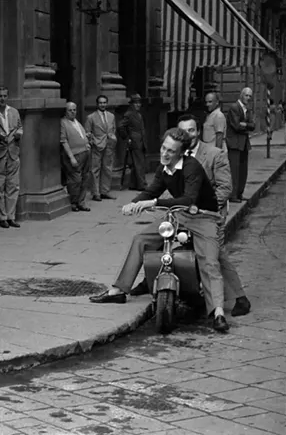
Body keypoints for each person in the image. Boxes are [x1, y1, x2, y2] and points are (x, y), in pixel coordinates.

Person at [89, 128, 231, 333]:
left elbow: (188, 198)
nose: (165, 154)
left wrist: (152, 203)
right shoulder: (163, 169)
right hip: (178, 215)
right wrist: (134, 204)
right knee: (141, 239)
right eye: (164, 148)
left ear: (181, 153)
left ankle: (217, 312)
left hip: (204, 217)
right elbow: (152, 190)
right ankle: (119, 290)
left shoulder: (192, 167)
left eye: (171, 151)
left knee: (209, 262)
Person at [130, 115, 251, 316]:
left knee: (215, 255)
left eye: (192, 130)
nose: (189, 134)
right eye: (184, 131)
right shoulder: (172, 156)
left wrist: (202, 208)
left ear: (198, 132)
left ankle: (239, 298)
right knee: (156, 235)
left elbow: (225, 187)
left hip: (206, 213)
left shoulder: (214, 154)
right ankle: (149, 279)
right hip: (181, 212)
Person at [0, 86, 23, 228]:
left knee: (13, 184)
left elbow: (20, 127)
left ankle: (11, 216)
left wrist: (19, 133)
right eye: (0, 96)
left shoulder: (14, 112)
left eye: (5, 96)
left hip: (13, 151)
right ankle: (1, 217)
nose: (2, 98)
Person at [59, 102, 92, 212]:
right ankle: (73, 202)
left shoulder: (77, 122)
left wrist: (86, 140)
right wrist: (71, 157)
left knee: (85, 178)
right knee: (75, 180)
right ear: (66, 111)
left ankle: (81, 202)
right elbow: (63, 141)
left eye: (74, 110)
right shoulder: (63, 122)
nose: (73, 112)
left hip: (85, 152)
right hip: (74, 154)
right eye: (70, 110)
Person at [84, 95, 118, 201]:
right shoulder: (91, 117)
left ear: (106, 103)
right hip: (97, 146)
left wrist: (112, 139)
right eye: (100, 103)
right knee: (95, 170)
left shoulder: (111, 116)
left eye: (104, 103)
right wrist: (92, 141)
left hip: (109, 145)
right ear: (97, 104)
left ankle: (105, 191)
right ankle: (96, 193)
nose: (102, 105)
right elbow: (87, 132)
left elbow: (113, 129)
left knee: (108, 168)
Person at [225, 87, 256, 201]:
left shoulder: (247, 109)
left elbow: (253, 126)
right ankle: (233, 195)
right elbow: (236, 126)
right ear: (241, 95)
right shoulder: (234, 107)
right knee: (234, 170)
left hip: (243, 144)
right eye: (246, 95)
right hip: (234, 143)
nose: (248, 98)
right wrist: (246, 125)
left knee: (243, 170)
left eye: (250, 96)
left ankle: (239, 193)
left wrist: (245, 125)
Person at [117, 94, 148, 190]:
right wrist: (127, 137)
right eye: (136, 103)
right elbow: (120, 126)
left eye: (139, 103)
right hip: (134, 141)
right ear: (132, 104)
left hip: (140, 141)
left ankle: (134, 184)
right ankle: (142, 184)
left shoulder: (138, 114)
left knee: (137, 164)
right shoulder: (129, 114)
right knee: (139, 163)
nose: (138, 105)